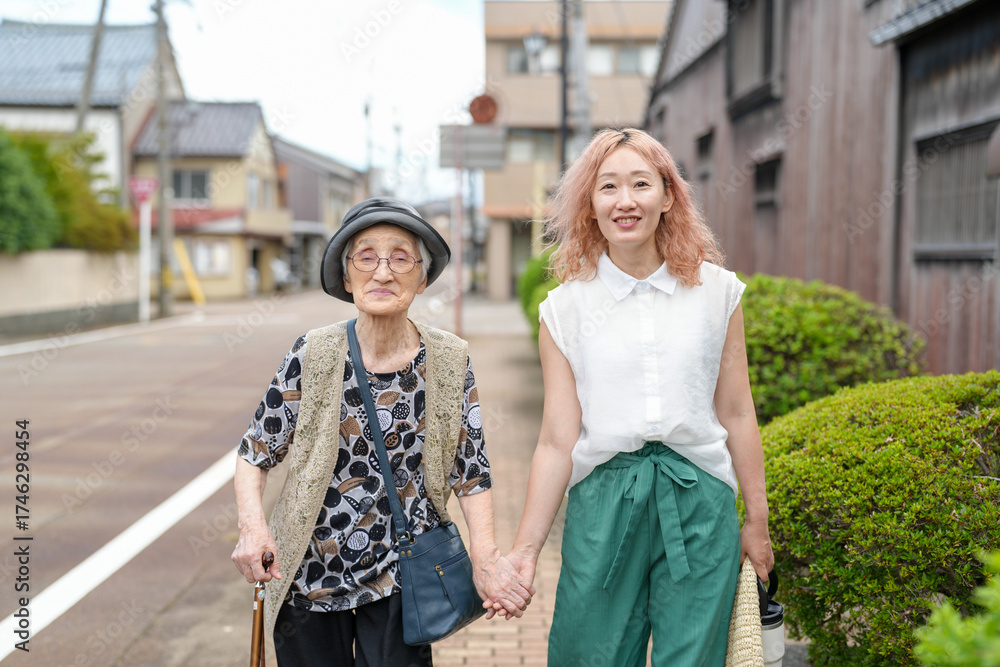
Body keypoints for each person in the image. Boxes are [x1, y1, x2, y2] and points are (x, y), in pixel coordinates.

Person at [492, 128, 774, 665]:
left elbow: (737, 410)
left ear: (668, 196)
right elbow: (556, 440)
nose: (625, 201)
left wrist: (756, 522)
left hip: (700, 498)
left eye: (641, 184)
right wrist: (525, 552)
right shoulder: (565, 310)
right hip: (602, 502)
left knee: (693, 657)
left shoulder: (718, 293)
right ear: (590, 205)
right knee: (588, 654)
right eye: (608, 187)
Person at [231, 196, 534, 666]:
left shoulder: (449, 360)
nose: (383, 272)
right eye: (366, 257)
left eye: (400, 257)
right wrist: (253, 529)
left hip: (402, 579)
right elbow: (255, 452)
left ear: (422, 276)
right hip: (308, 582)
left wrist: (487, 559)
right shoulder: (313, 353)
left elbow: (471, 471)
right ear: (347, 276)